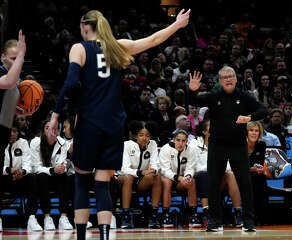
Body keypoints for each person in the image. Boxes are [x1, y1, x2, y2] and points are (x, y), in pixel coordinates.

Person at [47, 9, 190, 240]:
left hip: (90, 122)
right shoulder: (117, 46)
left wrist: (55, 115)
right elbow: (153, 40)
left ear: (85, 27)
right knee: (103, 184)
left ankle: (82, 237)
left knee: (82, 182)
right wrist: (177, 25)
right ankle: (104, 237)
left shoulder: (79, 48)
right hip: (114, 125)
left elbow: (71, 81)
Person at [188, 67, 267, 232]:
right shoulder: (214, 96)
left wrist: (250, 118)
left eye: (231, 76)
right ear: (220, 81)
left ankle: (248, 221)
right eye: (224, 77)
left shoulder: (244, 96)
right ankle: (215, 221)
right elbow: (194, 101)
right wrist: (192, 90)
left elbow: (263, 110)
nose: (228, 79)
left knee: (245, 183)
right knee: (213, 183)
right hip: (217, 146)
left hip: (238, 145)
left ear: (236, 79)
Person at [189, 120, 243, 228]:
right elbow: (193, 166)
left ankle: (238, 213)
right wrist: (212, 170)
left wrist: (217, 171)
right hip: (201, 177)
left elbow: (228, 166)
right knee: (204, 174)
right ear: (204, 131)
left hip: (218, 178)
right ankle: (207, 213)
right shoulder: (195, 144)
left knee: (231, 175)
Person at [114, 120, 161, 229]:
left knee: (157, 176)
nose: (144, 138)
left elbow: (156, 164)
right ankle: (126, 216)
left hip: (141, 180)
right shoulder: (126, 145)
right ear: (135, 136)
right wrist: (140, 172)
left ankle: (153, 215)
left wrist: (153, 170)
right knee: (128, 177)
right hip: (123, 178)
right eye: (141, 135)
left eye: (147, 136)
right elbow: (124, 168)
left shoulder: (153, 144)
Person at [30, 119, 74, 231]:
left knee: (65, 176)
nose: (51, 131)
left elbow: (62, 164)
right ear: (43, 130)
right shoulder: (35, 142)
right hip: (41, 178)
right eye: (47, 128)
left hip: (56, 177)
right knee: (41, 176)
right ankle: (47, 217)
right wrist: (52, 170)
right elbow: (35, 167)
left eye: (54, 128)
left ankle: (63, 217)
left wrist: (59, 168)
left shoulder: (62, 143)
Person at [159, 129, 201, 228]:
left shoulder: (191, 150)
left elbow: (190, 168)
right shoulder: (165, 149)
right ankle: (166, 214)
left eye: (183, 141)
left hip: (181, 180)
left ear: (187, 141)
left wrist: (188, 177)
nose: (180, 143)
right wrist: (178, 177)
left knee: (191, 181)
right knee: (167, 181)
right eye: (178, 140)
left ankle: (193, 215)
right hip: (166, 178)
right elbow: (164, 170)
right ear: (173, 140)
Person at [0, 31, 26, 179]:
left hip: (3, 132)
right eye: (13, 59)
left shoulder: (17, 80)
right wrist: (22, 55)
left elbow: (8, 107)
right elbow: (8, 82)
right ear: (3, 57)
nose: (18, 62)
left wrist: (23, 111)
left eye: (19, 59)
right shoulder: (3, 74)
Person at [246, 121, 268, 225]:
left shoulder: (261, 145)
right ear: (246, 132)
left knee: (259, 177)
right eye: (251, 130)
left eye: (257, 131)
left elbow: (260, 164)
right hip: (238, 175)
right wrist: (252, 169)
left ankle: (261, 217)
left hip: (255, 174)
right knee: (253, 178)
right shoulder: (240, 145)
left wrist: (259, 168)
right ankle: (251, 216)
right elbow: (238, 166)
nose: (254, 133)